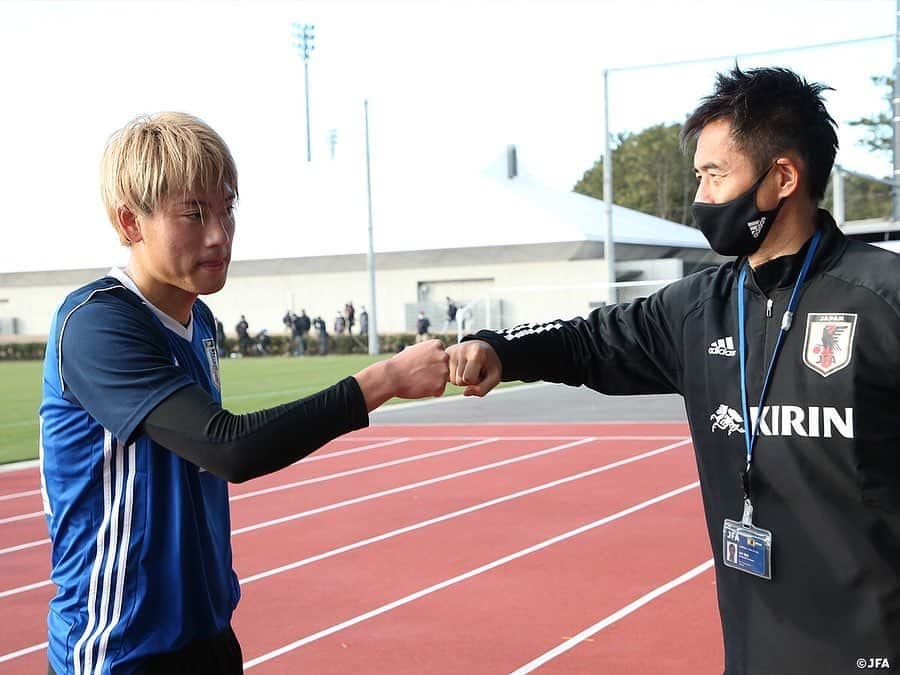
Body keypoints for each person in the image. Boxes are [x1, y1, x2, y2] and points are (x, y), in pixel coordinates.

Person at [447, 66, 900, 673]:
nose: (702, 197)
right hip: (755, 649)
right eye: (699, 177)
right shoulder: (698, 307)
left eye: (716, 175)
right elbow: (588, 341)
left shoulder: (883, 297)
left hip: (877, 647)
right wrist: (499, 349)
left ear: (784, 176)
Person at [38, 112, 449, 675]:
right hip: (122, 648)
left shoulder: (197, 319)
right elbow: (228, 447)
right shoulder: (96, 324)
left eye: (227, 208)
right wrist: (386, 381)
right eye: (194, 213)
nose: (220, 234)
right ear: (131, 222)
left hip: (206, 632)